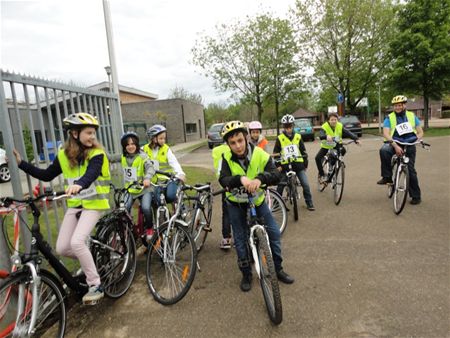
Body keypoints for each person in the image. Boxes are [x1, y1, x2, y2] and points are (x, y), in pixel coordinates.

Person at [13, 112, 110, 304]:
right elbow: (47, 174)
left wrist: (80, 184)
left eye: (93, 133)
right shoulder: (63, 155)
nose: (92, 137)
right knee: (63, 247)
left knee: (77, 243)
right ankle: (89, 259)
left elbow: (91, 173)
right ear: (74, 133)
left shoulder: (97, 154)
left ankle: (95, 283)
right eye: (88, 132)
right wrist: (21, 164)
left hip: (94, 205)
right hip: (76, 206)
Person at [219, 120, 294, 292]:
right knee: (239, 238)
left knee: (274, 233)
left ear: (246, 138)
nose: (238, 146)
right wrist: (240, 179)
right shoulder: (226, 158)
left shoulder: (260, 153)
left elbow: (275, 174)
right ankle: (246, 274)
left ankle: (278, 269)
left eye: (240, 140)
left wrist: (260, 179)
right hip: (236, 203)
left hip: (257, 201)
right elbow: (223, 180)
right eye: (232, 143)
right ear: (228, 144)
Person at [377, 95, 424, 205]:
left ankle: (416, 196)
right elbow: (386, 133)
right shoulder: (389, 117)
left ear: (404, 105)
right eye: (395, 106)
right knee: (384, 150)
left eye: (399, 105)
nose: (397, 107)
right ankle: (387, 177)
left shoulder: (412, 116)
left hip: (409, 143)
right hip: (395, 142)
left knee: (411, 170)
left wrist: (417, 139)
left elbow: (420, 132)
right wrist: (395, 146)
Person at [272, 114, 315, 211]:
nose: (288, 129)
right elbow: (275, 153)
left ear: (293, 126)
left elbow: (303, 151)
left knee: (305, 184)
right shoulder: (280, 138)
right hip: (285, 165)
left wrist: (305, 163)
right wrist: (278, 165)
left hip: (298, 164)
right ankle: (276, 204)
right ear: (284, 127)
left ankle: (309, 202)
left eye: (290, 126)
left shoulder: (298, 136)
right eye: (286, 127)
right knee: (281, 184)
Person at [120, 131, 155, 240]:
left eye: (132, 144)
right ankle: (127, 230)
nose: (130, 146)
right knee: (124, 209)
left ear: (136, 144)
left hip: (144, 189)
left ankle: (150, 228)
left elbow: (150, 167)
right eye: (128, 144)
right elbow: (109, 159)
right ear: (124, 146)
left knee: (145, 208)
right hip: (130, 190)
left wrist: (147, 178)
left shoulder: (143, 156)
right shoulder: (122, 157)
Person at [142, 124, 186, 205]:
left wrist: (181, 173)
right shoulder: (144, 149)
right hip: (154, 182)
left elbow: (174, 162)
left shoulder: (166, 149)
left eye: (164, 138)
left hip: (168, 179)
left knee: (171, 196)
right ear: (153, 139)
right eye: (161, 138)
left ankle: (180, 207)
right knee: (158, 201)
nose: (163, 141)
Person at [315, 112, 360, 184]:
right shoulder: (324, 126)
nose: (334, 121)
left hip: (337, 145)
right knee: (317, 158)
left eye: (335, 120)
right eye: (332, 120)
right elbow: (321, 134)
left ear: (337, 120)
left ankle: (333, 165)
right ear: (328, 120)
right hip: (327, 145)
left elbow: (348, 132)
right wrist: (326, 136)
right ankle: (322, 174)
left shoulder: (340, 125)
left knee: (343, 151)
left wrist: (356, 139)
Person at [211, 140, 232, 250]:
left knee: (227, 213)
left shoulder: (216, 150)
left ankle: (226, 239)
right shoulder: (239, 147)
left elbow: (217, 168)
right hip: (240, 183)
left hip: (225, 185)